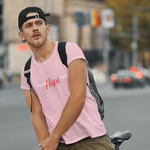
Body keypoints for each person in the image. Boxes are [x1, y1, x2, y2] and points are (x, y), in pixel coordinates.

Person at [18, 6, 114, 150]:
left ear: (48, 29)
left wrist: (54, 137)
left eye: (39, 23)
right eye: (29, 25)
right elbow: (36, 114)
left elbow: (78, 98)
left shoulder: (69, 51)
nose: (35, 28)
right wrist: (47, 144)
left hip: (91, 139)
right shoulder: (27, 72)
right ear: (22, 36)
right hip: (60, 144)